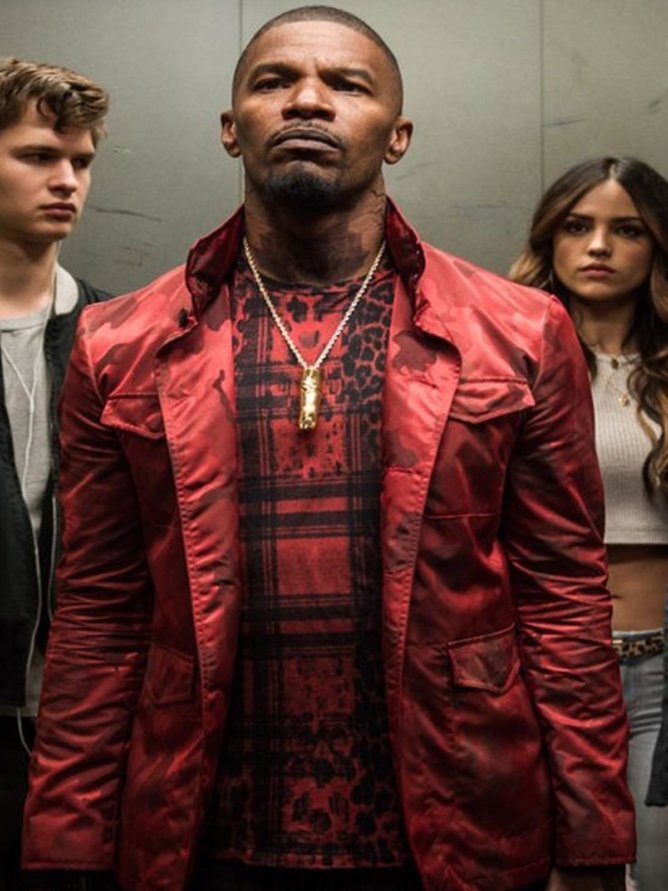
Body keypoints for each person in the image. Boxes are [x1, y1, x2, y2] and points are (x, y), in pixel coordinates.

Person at [23, 8, 633, 891]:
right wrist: (65, 845)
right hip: (205, 832)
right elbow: (98, 615)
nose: (308, 100)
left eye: (347, 85)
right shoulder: (122, 343)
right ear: (231, 128)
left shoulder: (520, 331)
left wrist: (593, 840)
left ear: (398, 135)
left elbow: (562, 599)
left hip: (454, 825)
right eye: (274, 82)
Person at [510, 156, 668, 891]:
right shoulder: (507, 359)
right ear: (551, 238)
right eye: (578, 226)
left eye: (627, 229)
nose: (599, 246)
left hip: (661, 672)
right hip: (547, 667)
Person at [0, 56, 109, 890]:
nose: (67, 180)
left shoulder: (115, 335)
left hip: (80, 726)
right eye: (38, 155)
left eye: (80, 160)